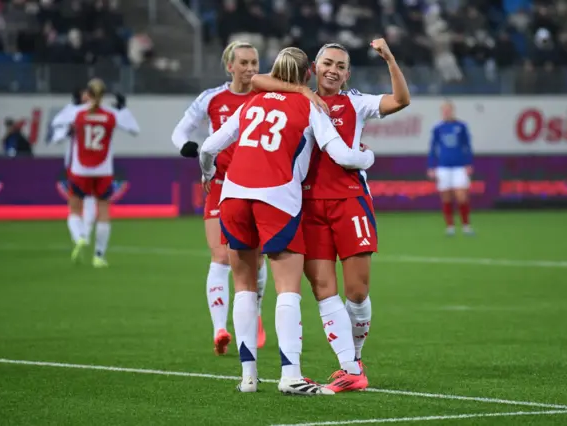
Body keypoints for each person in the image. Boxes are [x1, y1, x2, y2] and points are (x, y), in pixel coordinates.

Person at [198, 47, 376, 395]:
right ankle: (291, 374)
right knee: (287, 288)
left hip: (232, 196)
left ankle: (248, 377)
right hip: (276, 198)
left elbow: (209, 146)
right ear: (307, 75)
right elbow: (341, 154)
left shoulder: (250, 102)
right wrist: (368, 155)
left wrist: (207, 173)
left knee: (245, 285)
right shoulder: (310, 105)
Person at [250, 39, 410, 392]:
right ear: (314, 69)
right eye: (327, 63)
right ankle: (350, 369)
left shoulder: (356, 102)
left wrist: (389, 59)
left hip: (350, 201)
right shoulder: (299, 98)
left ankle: (355, 358)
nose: (333, 70)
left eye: (340, 66)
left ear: (347, 73)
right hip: (308, 206)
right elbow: (257, 81)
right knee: (324, 289)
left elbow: (400, 100)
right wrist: (301, 90)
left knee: (356, 292)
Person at [171, 41, 270, 356]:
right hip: (220, 183)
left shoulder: (267, 96)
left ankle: (254, 316)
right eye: (243, 62)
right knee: (219, 255)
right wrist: (187, 147)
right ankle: (220, 329)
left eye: (254, 62)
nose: (250, 68)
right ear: (229, 66)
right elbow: (180, 131)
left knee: (257, 257)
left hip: (259, 185)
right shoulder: (212, 98)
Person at [51, 78, 140, 267]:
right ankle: (99, 255)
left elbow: (56, 124)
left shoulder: (77, 113)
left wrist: (69, 126)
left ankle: (81, 236)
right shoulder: (111, 114)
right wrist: (123, 109)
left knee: (74, 209)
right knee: (104, 212)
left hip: (80, 169)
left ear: (87, 94)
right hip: (104, 169)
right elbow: (134, 129)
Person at [50, 89, 97, 245]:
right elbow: (57, 133)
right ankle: (81, 235)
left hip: (94, 163)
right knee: (81, 200)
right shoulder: (71, 112)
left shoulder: (94, 111)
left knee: (89, 201)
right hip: (78, 164)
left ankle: (83, 236)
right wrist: (68, 130)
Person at [427, 100, 474, 236]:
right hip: (443, 167)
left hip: (459, 166)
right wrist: (431, 166)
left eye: (448, 110)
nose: (446, 112)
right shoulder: (437, 128)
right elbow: (433, 148)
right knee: (446, 197)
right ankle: (450, 226)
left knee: (461, 196)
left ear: (452, 110)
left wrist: (468, 163)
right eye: (444, 110)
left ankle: (466, 225)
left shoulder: (461, 126)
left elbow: (467, 146)